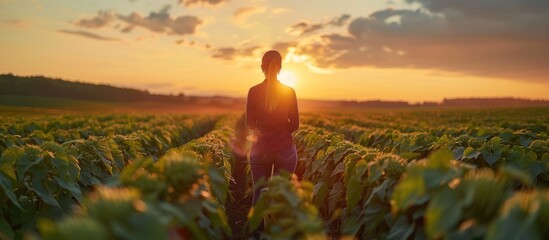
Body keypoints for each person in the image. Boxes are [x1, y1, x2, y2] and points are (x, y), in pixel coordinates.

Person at [246, 50, 299, 204]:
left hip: (260, 148)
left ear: (262, 67)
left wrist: (264, 133)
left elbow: (250, 122)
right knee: (281, 198)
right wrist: (280, 132)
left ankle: (257, 228)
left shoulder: (254, 91)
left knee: (259, 195)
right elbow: (295, 124)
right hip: (285, 149)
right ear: (280, 68)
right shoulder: (289, 91)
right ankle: (277, 228)